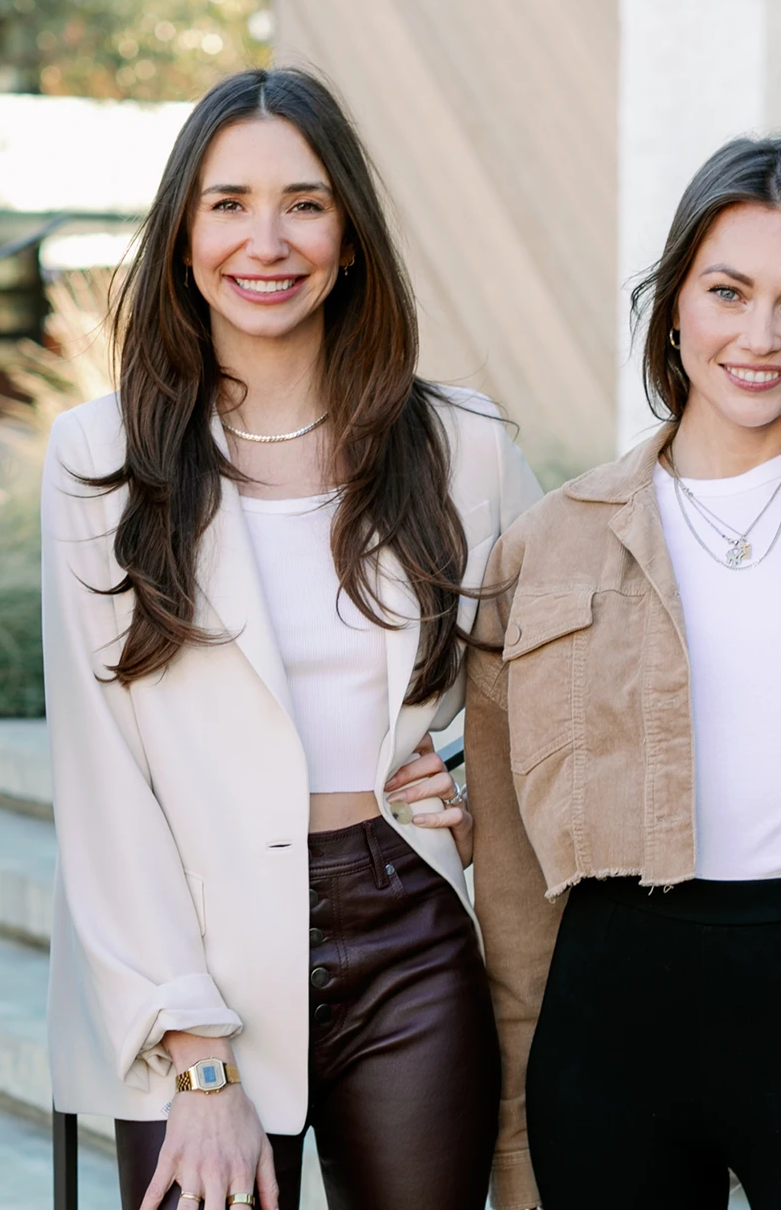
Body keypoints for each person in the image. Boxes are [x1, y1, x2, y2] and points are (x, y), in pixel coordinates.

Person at [42, 67, 541, 1210]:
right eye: (227, 204)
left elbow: (552, 674)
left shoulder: (459, 445)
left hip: (406, 933)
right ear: (180, 236)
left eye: (305, 203)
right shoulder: (98, 458)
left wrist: (463, 777)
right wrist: (194, 1050)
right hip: (192, 955)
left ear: (351, 236)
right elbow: (102, 777)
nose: (265, 240)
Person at [465, 135, 781, 1210]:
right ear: (675, 303)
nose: (758, 336)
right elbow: (508, 875)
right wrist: (513, 1131)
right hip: (612, 1018)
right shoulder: (547, 544)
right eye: (727, 291)